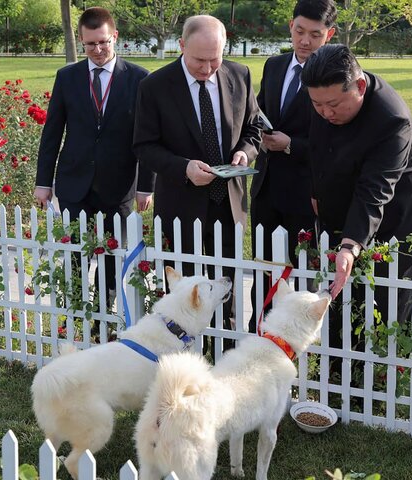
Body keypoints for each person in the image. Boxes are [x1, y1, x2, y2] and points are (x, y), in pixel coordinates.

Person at [301, 44, 412, 360]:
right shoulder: (325, 97)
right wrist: (318, 193)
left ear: (358, 87)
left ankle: (394, 377)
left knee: (392, 308)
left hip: (400, 222)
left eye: (332, 105)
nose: (325, 113)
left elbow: (375, 190)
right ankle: (344, 378)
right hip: (349, 215)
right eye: (317, 105)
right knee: (346, 303)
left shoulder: (391, 120)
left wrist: (350, 246)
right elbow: (319, 149)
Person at [133, 15, 261, 350]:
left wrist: (245, 154)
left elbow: (254, 129)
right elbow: (144, 147)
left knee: (226, 287)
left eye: (214, 59)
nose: (207, 69)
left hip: (229, 203)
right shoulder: (155, 86)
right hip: (181, 205)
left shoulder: (239, 74)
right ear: (181, 46)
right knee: (185, 293)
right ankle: (187, 357)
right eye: (199, 60)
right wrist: (184, 167)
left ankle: (227, 356)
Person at [34, 7, 155, 316]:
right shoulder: (67, 77)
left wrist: (146, 187)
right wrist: (43, 182)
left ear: (114, 37)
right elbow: (52, 133)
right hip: (75, 184)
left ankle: (103, 317)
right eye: (90, 44)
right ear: (81, 41)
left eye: (104, 42)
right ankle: (76, 317)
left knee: (111, 259)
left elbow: (149, 139)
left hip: (119, 188)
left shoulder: (140, 79)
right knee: (75, 256)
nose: (98, 50)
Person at [248, 0, 336, 333]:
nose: (305, 41)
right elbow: (259, 113)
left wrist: (291, 145)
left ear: (329, 35)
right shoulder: (274, 65)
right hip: (267, 188)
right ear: (290, 26)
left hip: (307, 191)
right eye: (299, 31)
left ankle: (299, 341)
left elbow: (338, 144)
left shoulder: (337, 74)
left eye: (315, 34)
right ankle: (258, 332)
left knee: (302, 277)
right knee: (264, 271)